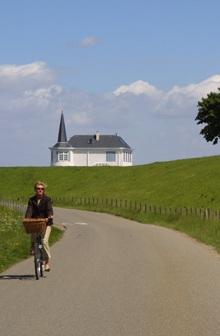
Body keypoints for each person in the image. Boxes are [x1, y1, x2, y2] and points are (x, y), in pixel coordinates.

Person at [25, 181, 53, 271]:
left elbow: (49, 209)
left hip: (46, 223)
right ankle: (33, 246)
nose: (40, 190)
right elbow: (29, 210)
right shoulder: (31, 200)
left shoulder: (47, 199)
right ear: (35, 190)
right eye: (38, 188)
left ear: (44, 190)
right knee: (32, 231)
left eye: (42, 189)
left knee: (44, 241)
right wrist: (27, 218)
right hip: (36, 222)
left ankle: (47, 262)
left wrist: (49, 216)